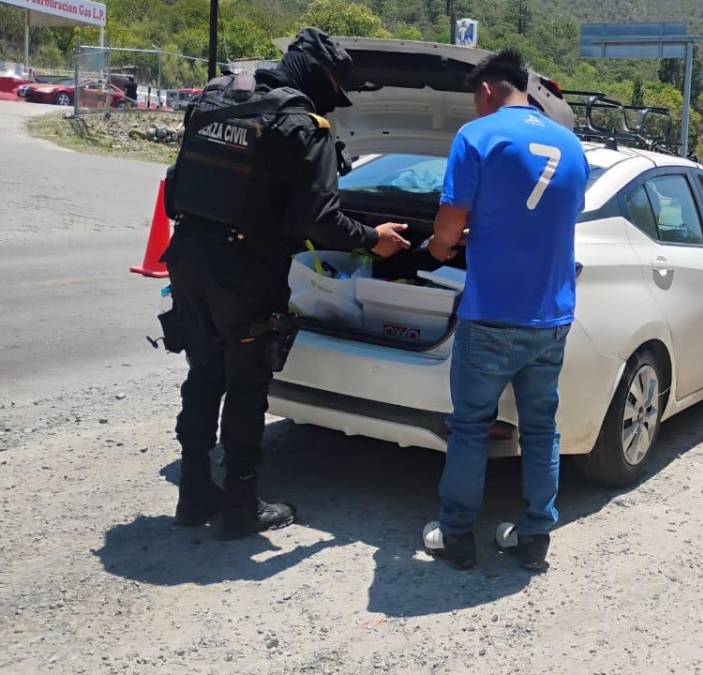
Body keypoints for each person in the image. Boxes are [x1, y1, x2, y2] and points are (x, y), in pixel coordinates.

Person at [161, 28, 410, 540]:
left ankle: (193, 493)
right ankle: (240, 506)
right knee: (247, 383)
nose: (333, 106)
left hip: (187, 254)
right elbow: (322, 222)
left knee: (205, 371)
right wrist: (374, 239)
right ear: (320, 77)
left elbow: (177, 179)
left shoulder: (216, 96)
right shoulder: (303, 124)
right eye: (333, 93)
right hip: (244, 269)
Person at [421, 48, 588, 572]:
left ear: (488, 91)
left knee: (470, 427)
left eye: (476, 99)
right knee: (542, 429)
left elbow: (451, 218)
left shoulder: (479, 135)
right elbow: (551, 216)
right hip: (552, 317)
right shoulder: (572, 145)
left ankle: (457, 537)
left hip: (491, 315)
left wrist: (439, 247)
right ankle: (534, 536)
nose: (476, 108)